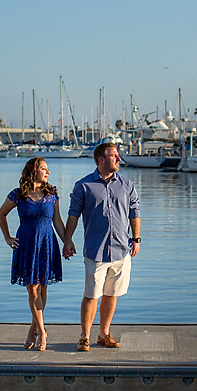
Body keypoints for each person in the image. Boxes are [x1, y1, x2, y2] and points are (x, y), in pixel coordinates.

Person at [63, 143, 140, 352]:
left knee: (112, 293)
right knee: (91, 294)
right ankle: (84, 336)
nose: (118, 159)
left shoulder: (127, 185)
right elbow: (73, 214)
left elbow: (134, 211)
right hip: (96, 250)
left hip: (121, 249)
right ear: (100, 159)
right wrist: (68, 240)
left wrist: (136, 238)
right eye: (114, 155)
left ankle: (104, 334)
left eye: (118, 155)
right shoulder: (83, 186)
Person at [0, 157, 68, 351]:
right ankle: (43, 332)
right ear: (33, 171)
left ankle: (33, 329)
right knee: (32, 288)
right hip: (27, 243)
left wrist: (67, 242)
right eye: (44, 169)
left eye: (47, 169)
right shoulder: (18, 194)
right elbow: (1, 214)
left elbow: (58, 222)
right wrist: (7, 237)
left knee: (43, 288)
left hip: (46, 242)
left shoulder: (51, 194)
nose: (48, 172)